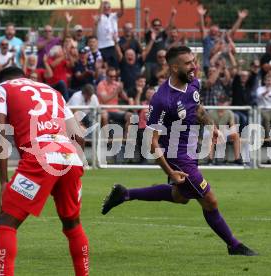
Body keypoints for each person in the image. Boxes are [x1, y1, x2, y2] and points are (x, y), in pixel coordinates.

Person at [101, 46, 257, 256]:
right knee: (210, 200)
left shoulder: (192, 82)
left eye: (194, 61)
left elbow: (197, 109)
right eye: (188, 63)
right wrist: (170, 172)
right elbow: (152, 142)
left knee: (180, 196)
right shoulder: (162, 100)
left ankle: (125, 194)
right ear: (174, 67)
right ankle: (234, 245)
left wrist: (212, 126)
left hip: (190, 151)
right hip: (177, 156)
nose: (194, 66)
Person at [0, 67, 89, 276]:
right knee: (72, 223)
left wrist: (3, 182)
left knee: (6, 222)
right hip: (70, 156)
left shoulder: (0, 88)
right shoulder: (53, 92)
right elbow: (79, 137)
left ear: (3, 79)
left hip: (40, 155)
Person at [197, 5, 248, 75]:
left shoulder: (223, 38)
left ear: (218, 32)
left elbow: (233, 31)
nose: (214, 33)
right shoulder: (207, 39)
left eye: (216, 32)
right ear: (209, 32)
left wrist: (240, 18)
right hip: (209, 66)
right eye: (212, 31)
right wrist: (201, 16)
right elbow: (202, 29)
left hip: (222, 66)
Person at [94, 0, 124, 68]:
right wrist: (101, 4)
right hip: (102, 46)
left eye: (108, 7)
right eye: (105, 7)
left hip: (113, 44)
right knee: (104, 66)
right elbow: (98, 15)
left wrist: (121, 2)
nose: (107, 8)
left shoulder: (114, 16)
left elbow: (122, 12)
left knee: (115, 65)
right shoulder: (99, 17)